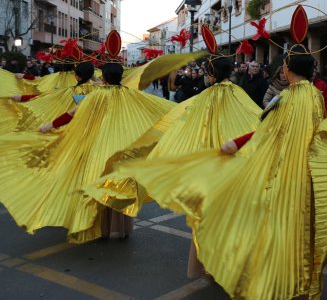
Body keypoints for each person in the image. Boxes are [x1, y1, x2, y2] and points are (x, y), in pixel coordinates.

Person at [106, 44, 327, 299]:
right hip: (301, 174)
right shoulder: (314, 95)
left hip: (275, 171)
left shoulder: (285, 98)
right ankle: (295, 277)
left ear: (287, 69)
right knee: (294, 225)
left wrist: (232, 146)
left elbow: (264, 130)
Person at [85, 54, 262, 279]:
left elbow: (184, 123)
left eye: (207, 73)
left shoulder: (208, 97)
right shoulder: (240, 94)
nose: (205, 77)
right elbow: (256, 119)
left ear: (212, 74)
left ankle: (212, 266)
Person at [0, 62, 174, 243]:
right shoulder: (132, 95)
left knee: (96, 181)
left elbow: (72, 113)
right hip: (122, 145)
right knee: (119, 185)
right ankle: (119, 229)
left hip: (98, 146)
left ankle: (99, 227)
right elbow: (162, 110)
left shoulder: (95, 95)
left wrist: (50, 125)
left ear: (103, 77)